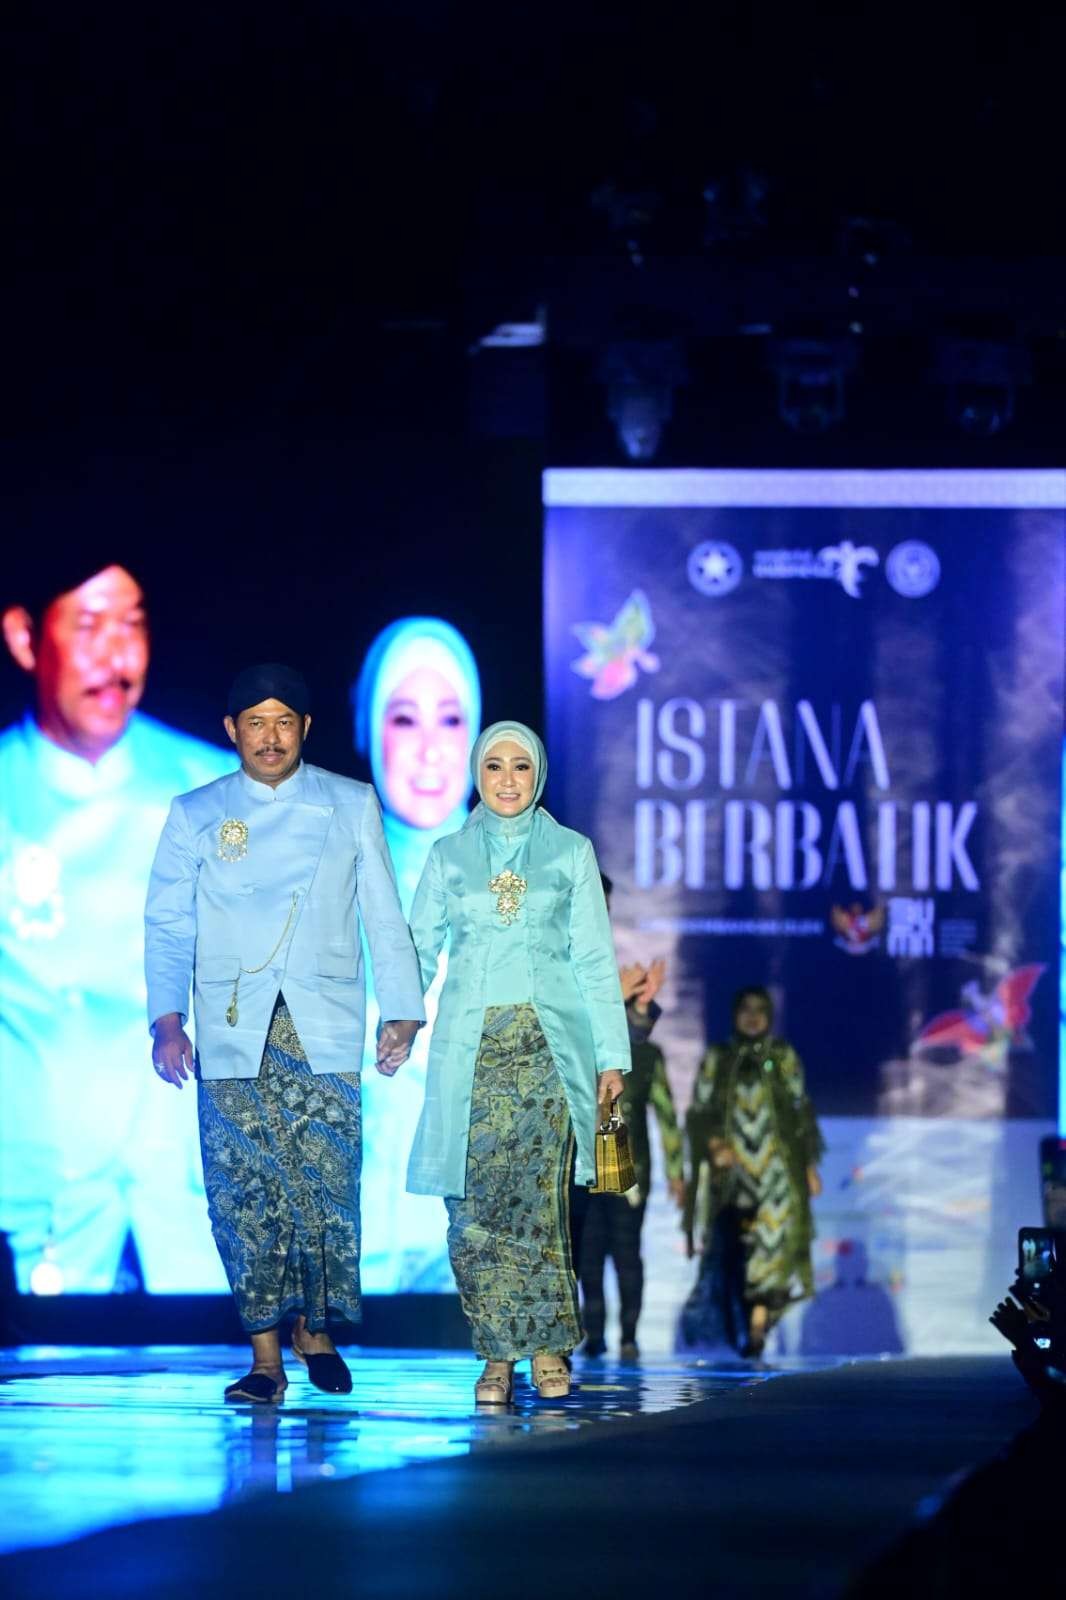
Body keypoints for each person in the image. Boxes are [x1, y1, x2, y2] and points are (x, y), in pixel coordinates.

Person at [144, 663, 425, 1403]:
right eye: (256, 722)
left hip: (320, 1019)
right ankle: (265, 1359)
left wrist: (402, 1006)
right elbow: (169, 923)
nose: (271, 737)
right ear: (232, 729)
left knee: (327, 1184)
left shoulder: (349, 801)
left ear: (305, 728)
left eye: (285, 722)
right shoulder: (195, 811)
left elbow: (383, 915)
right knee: (241, 1191)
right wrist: (167, 1019)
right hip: (233, 1022)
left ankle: (317, 1330)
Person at [0, 557, 233, 1295]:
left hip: (187, 1208)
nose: (116, 657)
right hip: (38, 1212)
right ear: (26, 638)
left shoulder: (212, 791)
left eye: (131, 627)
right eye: (91, 627)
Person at [406, 721, 630, 1404]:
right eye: (495, 766)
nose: (508, 780)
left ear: (539, 776)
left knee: (544, 1211)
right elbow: (417, 946)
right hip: (472, 1055)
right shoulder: (448, 856)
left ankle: (549, 1348)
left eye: (521, 767)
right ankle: (495, 1356)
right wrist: (396, 1020)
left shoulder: (570, 852)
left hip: (549, 1053)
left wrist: (612, 1056)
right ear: (477, 773)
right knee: (475, 1213)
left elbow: (594, 960)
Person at [351, 617, 481, 1289]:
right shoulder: (325, 875)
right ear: (368, 729)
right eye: (404, 720)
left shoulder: (526, 881)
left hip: (476, 1235)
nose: (431, 750)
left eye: (452, 720)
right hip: (353, 1239)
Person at [683, 986, 824, 1357]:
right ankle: (744, 1323)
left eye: (761, 1009)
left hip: (777, 1168)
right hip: (732, 1173)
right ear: (734, 1014)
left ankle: (759, 1325)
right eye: (745, 1008)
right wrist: (714, 1145)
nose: (753, 1016)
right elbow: (699, 1109)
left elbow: (800, 1109)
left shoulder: (783, 1055)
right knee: (733, 1253)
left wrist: (809, 1165)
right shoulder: (718, 1056)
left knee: (773, 1244)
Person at [578, 933, 685, 1361]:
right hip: (586, 1162)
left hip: (628, 1167)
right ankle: (595, 1335)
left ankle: (628, 1336)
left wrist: (678, 1172)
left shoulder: (647, 1057)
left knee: (626, 1254)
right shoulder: (583, 1048)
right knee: (587, 1257)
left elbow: (668, 1118)